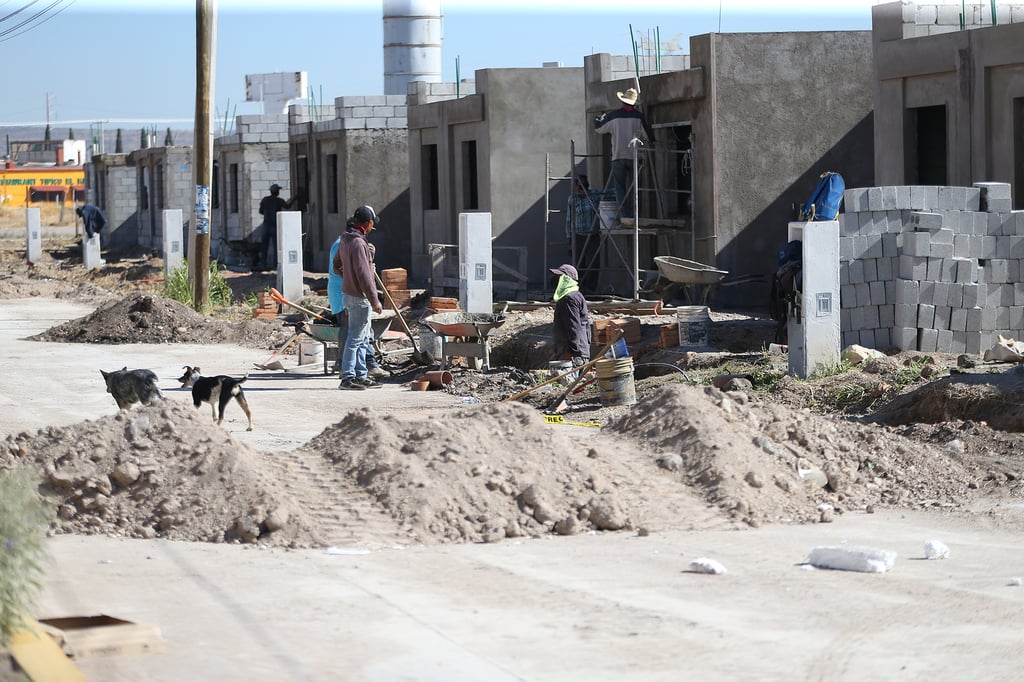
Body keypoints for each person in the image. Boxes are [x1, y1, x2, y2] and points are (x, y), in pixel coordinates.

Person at [328, 218, 387, 379]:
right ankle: (347, 373)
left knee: (361, 337)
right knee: (353, 337)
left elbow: (340, 265)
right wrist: (374, 300)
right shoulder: (355, 244)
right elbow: (363, 275)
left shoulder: (346, 243)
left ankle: (361, 374)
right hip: (353, 295)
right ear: (366, 224)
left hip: (348, 293)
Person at [593, 87, 655, 225]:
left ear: (622, 101)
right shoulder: (639, 116)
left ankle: (625, 217)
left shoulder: (614, 116)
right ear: (634, 103)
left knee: (620, 189)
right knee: (635, 189)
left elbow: (598, 128)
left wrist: (598, 118)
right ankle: (635, 216)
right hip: (635, 157)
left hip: (618, 156)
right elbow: (649, 137)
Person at [550, 263, 592, 370]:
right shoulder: (575, 295)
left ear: (566, 279)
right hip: (578, 351)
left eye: (559, 277)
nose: (556, 280)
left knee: (570, 384)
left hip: (572, 354)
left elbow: (573, 326)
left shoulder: (569, 298)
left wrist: (573, 352)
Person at [564, 174, 601, 293]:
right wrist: (569, 240)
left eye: (583, 186)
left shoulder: (594, 196)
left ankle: (591, 289)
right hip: (578, 236)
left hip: (593, 235)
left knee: (593, 264)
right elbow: (569, 220)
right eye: (579, 186)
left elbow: (609, 193)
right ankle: (580, 289)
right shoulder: (573, 199)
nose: (581, 189)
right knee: (579, 264)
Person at [258, 183, 293, 270]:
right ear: (276, 192)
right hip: (275, 225)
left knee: (264, 247)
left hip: (266, 225)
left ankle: (263, 264)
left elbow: (261, 211)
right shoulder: (279, 200)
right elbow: (287, 206)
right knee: (276, 246)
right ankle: (275, 265)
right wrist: (294, 199)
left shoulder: (265, 200)